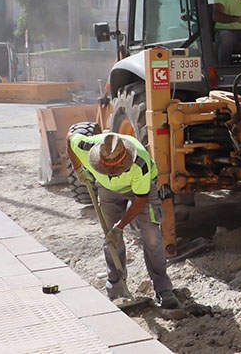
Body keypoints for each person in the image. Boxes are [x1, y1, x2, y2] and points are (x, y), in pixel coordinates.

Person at [67, 131, 179, 309]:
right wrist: (79, 169)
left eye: (117, 169)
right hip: (107, 188)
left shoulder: (139, 164)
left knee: (151, 236)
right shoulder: (86, 146)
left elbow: (140, 200)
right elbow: (70, 139)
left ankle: (163, 288)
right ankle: (116, 288)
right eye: (108, 169)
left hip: (142, 190)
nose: (113, 173)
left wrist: (120, 227)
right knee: (110, 238)